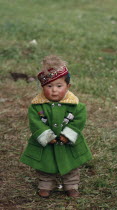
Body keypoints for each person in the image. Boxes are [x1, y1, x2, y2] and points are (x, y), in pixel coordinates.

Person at [20, 55, 92, 198]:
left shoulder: (76, 105)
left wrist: (67, 135)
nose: (54, 90)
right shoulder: (37, 107)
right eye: (49, 86)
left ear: (68, 86)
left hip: (68, 143)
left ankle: (71, 185)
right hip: (46, 143)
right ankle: (46, 185)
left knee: (71, 165)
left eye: (59, 86)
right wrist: (46, 135)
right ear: (42, 87)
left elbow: (78, 120)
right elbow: (36, 123)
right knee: (45, 166)